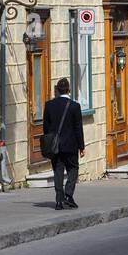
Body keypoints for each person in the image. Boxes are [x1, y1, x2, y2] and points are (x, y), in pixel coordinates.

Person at [43, 78, 85, 209]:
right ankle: (68, 195)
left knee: (58, 171)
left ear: (57, 90)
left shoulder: (49, 105)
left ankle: (59, 200)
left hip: (55, 146)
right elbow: (78, 128)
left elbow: (46, 127)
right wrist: (81, 146)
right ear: (69, 90)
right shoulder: (74, 106)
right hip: (71, 145)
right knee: (73, 169)